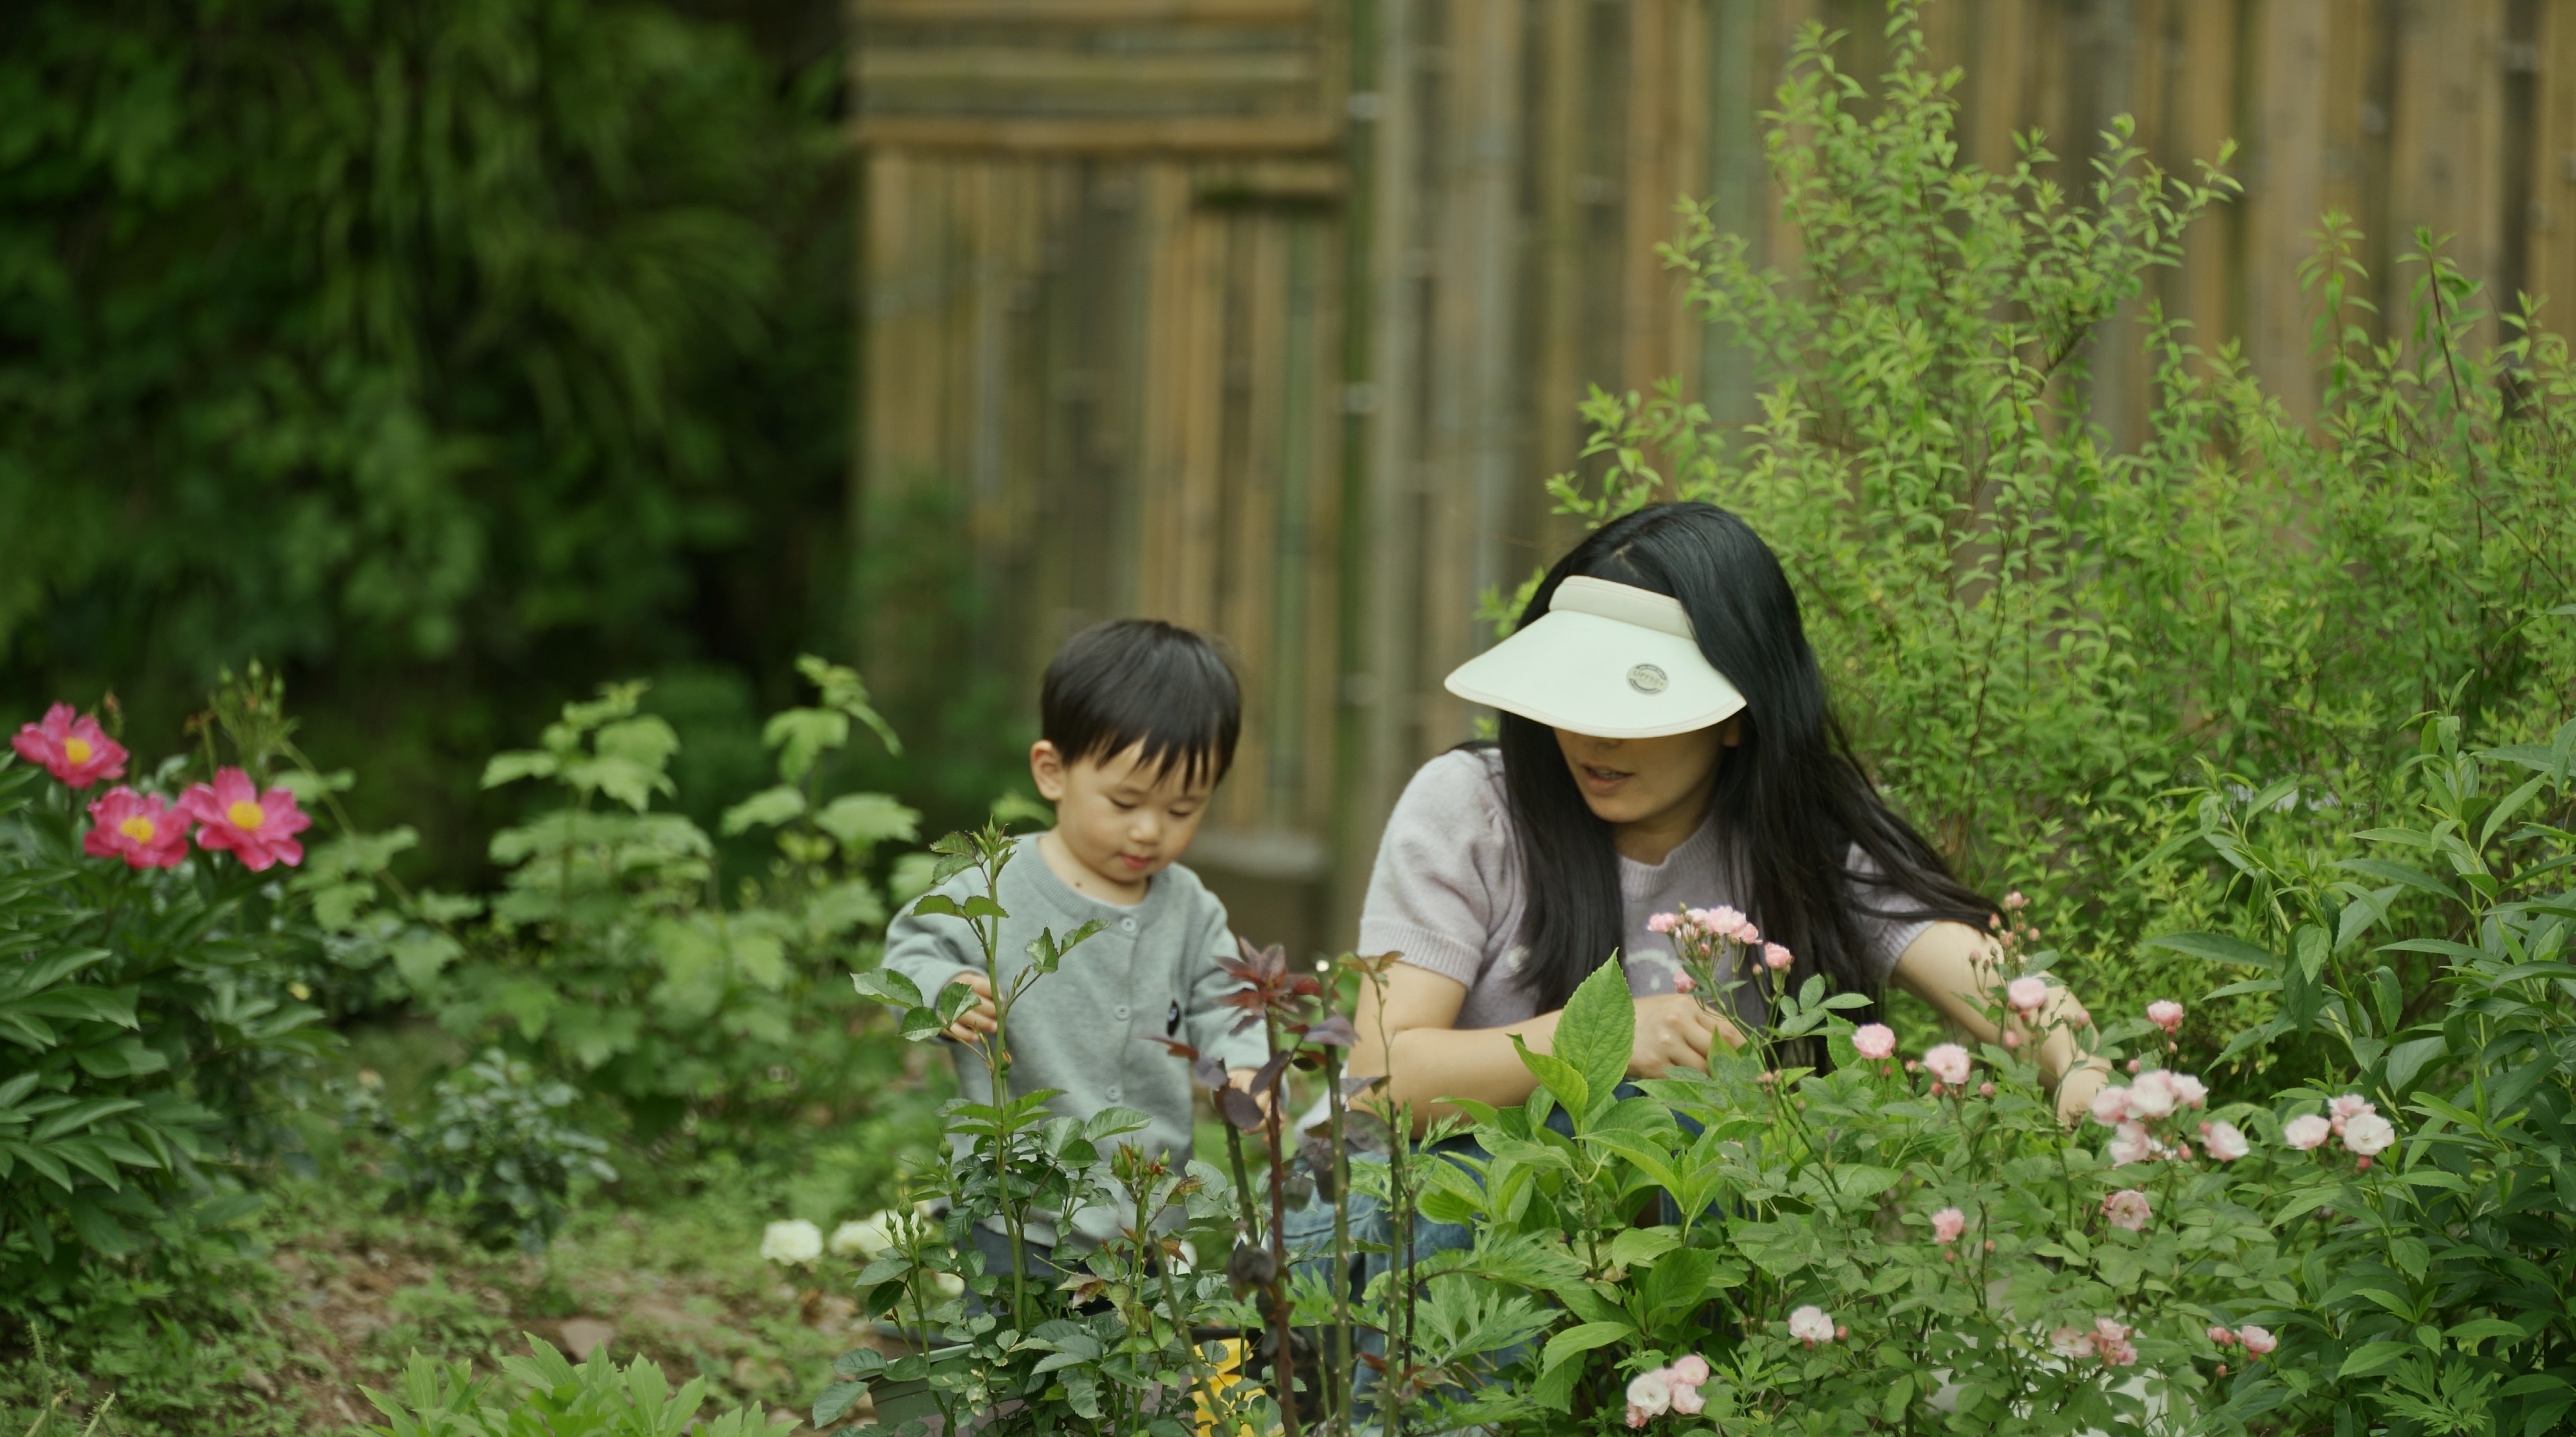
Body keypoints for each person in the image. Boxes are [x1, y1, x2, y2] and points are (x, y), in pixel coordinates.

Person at [1349, 500, 2112, 1125]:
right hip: (1439, 1234)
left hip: (1686, 1259)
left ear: (1737, 713)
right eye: (1575, 694)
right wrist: (1608, 1038)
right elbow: (1381, 1080)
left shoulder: (1799, 843)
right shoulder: (1474, 809)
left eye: (1636, 701)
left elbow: (1976, 968)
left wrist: (2081, 1069)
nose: (1595, 734)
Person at [882, 619, 1269, 1272]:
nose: (1150, 830)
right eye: (1124, 802)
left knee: (1138, 1368)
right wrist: (941, 995)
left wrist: (1245, 1068)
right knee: (1017, 1363)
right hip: (1014, 1210)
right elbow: (908, 957)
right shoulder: (994, 885)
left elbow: (1226, 1001)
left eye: (1183, 810)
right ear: (1053, 771)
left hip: (1146, 1219)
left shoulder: (1191, 908)